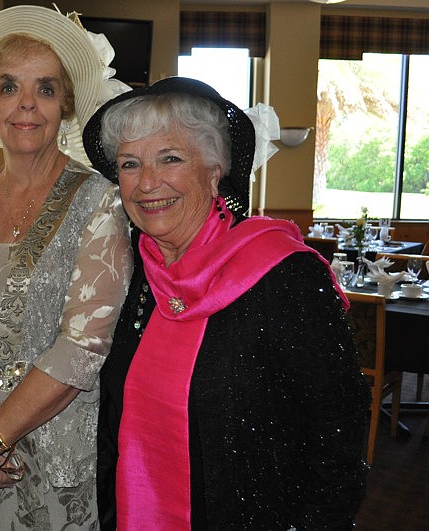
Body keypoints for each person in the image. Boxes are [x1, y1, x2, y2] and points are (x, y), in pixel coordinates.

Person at [82, 77, 370, 530]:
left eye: (170, 158)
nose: (147, 183)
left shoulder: (284, 276)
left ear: (215, 169)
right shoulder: (133, 273)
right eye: (130, 164)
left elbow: (339, 432)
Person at [0, 5, 132, 529]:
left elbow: (82, 348)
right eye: (8, 87)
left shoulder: (99, 201)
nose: (26, 105)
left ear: (64, 104)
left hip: (55, 446)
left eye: (45, 88)